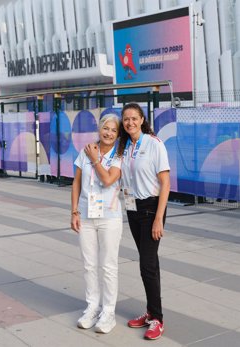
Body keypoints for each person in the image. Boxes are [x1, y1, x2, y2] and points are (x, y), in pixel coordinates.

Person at [117, 103, 170, 340]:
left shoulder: (153, 143)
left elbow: (165, 183)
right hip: (132, 209)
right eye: (126, 119)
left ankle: (157, 319)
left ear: (142, 119)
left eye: (134, 118)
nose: (130, 123)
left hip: (151, 209)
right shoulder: (125, 146)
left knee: (147, 265)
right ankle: (150, 312)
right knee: (149, 263)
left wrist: (159, 218)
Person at [71, 114, 123, 334]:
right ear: (99, 129)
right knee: (89, 264)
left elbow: (109, 179)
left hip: (110, 218)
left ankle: (108, 312)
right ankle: (92, 306)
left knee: (108, 266)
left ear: (118, 134)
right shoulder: (86, 151)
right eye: (105, 128)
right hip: (86, 215)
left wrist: (95, 159)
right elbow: (76, 182)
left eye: (113, 130)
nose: (108, 133)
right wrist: (74, 210)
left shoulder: (119, 155)